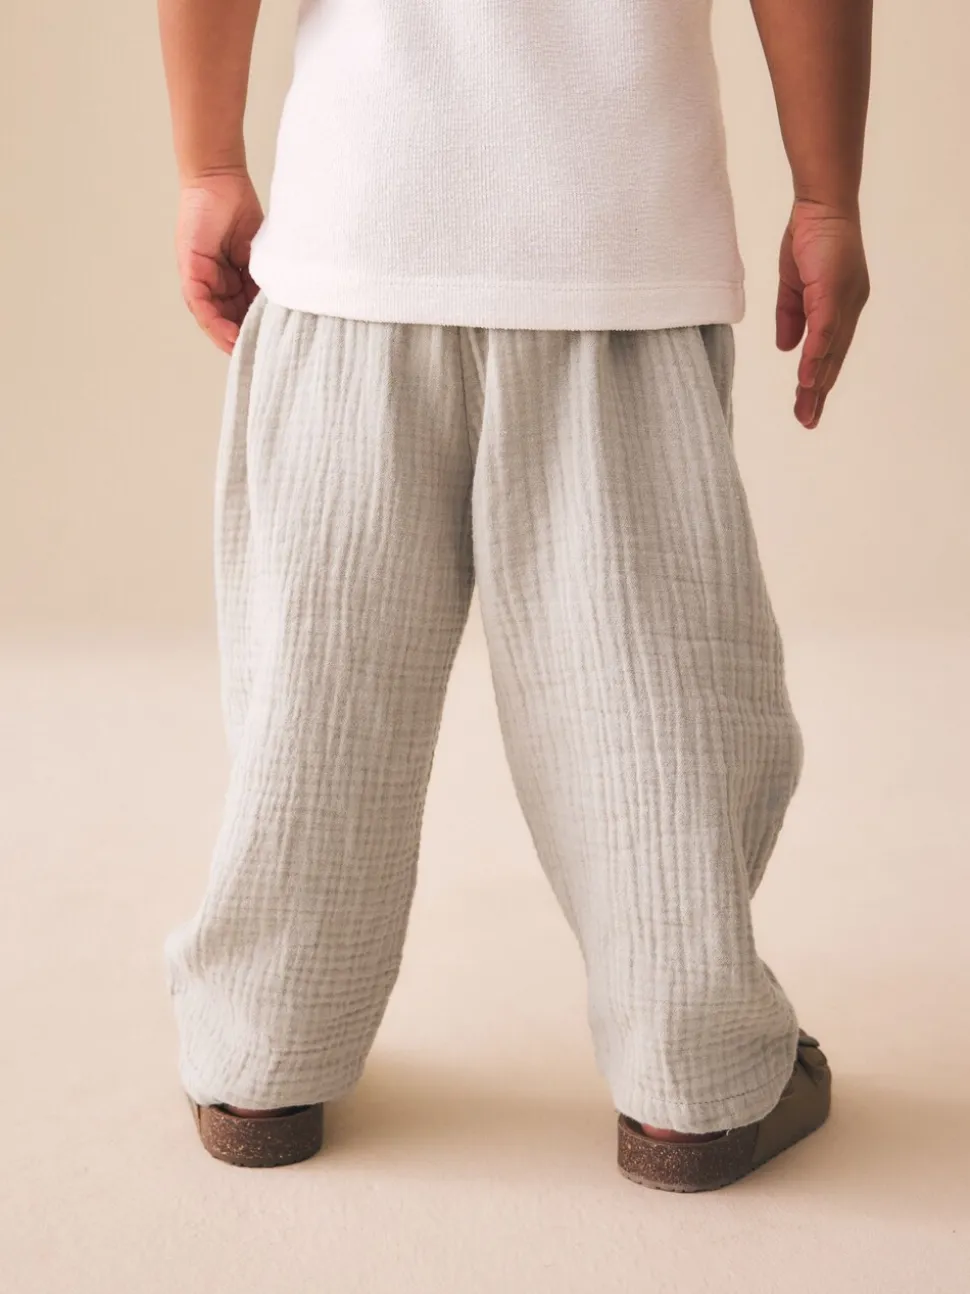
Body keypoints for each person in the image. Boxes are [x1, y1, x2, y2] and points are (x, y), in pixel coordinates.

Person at [157, 0, 871, 1188]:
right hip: (615, 249)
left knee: (313, 704)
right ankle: (688, 1078)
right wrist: (826, 199)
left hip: (357, 232)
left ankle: (261, 1057)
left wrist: (209, 166)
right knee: (649, 716)